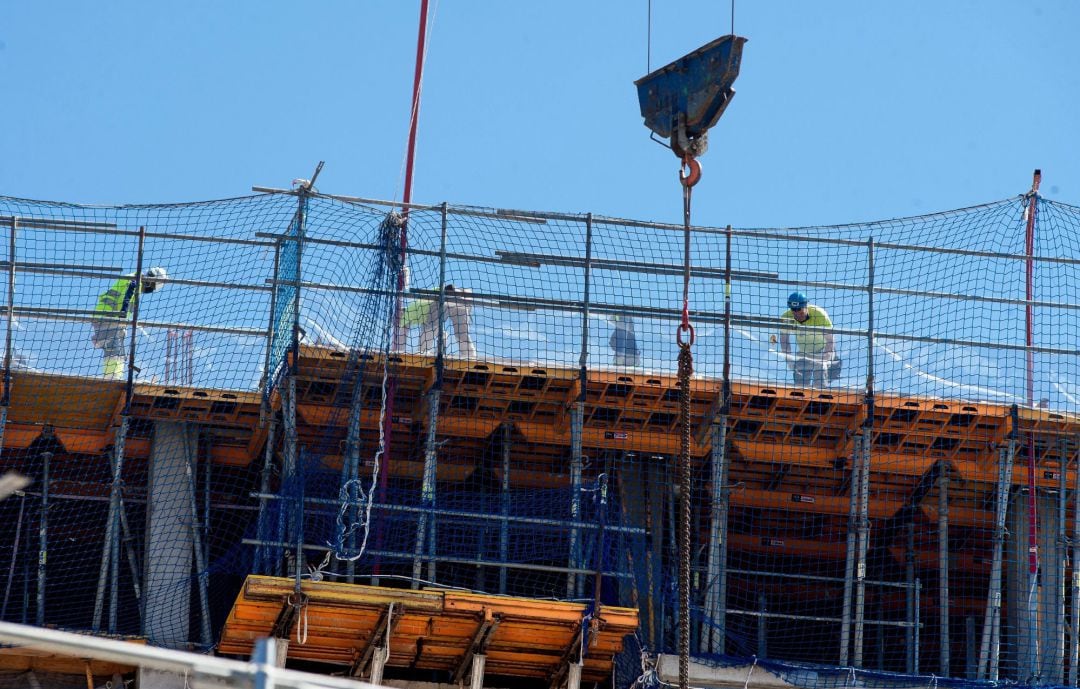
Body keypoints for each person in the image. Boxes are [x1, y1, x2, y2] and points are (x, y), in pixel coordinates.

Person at [91, 267, 168, 379]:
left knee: (115, 347)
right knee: (115, 348)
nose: (149, 290)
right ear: (150, 281)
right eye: (151, 287)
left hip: (105, 315)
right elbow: (126, 297)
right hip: (109, 316)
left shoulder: (134, 278)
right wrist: (121, 318)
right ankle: (112, 377)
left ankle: (113, 375)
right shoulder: (135, 281)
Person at [395, 284, 477, 358]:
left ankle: (423, 355)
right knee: (461, 333)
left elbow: (401, 341)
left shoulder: (404, 318)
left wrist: (398, 354)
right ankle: (470, 356)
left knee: (427, 335)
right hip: (458, 296)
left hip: (438, 302)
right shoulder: (413, 306)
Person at [779, 291, 839, 387]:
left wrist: (826, 358)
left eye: (800, 310)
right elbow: (784, 340)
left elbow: (830, 341)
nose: (797, 313)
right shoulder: (786, 317)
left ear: (806, 306)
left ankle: (820, 399)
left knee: (820, 374)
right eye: (794, 310)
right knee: (799, 381)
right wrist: (788, 359)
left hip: (822, 351)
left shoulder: (819, 315)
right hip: (804, 353)